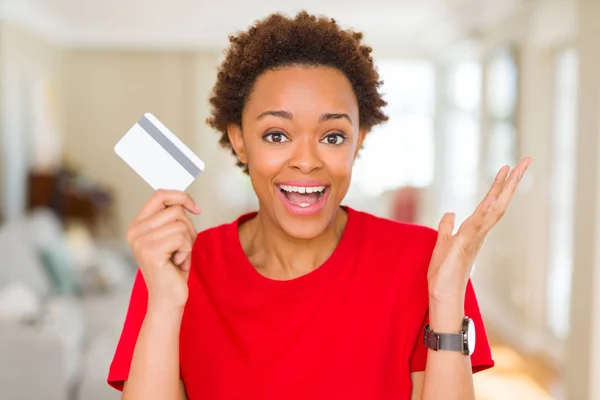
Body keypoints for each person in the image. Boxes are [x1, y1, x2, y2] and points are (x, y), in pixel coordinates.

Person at [107, 11, 531, 400]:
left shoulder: (425, 263)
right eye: (276, 135)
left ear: (358, 140)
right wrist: (164, 304)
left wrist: (444, 301)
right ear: (239, 139)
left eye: (332, 137)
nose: (307, 160)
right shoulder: (177, 268)